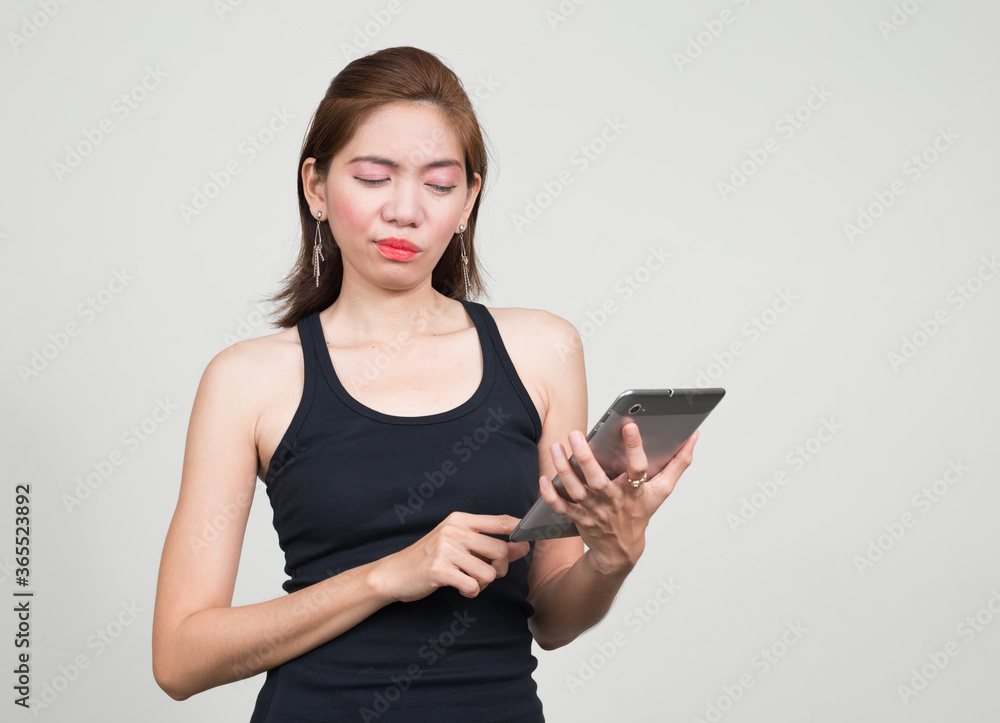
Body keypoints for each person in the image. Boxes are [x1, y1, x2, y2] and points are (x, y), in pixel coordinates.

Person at [152, 46, 699, 722]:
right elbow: (179, 658)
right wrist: (387, 576)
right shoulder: (248, 379)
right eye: (373, 177)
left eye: (439, 185)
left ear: (469, 200)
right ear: (316, 187)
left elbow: (552, 619)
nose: (405, 211)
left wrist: (612, 557)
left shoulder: (542, 350)